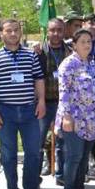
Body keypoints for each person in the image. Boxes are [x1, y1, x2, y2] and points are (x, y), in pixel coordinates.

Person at [0, 18, 50, 189]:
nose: (13, 33)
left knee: (33, 152)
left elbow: (38, 79)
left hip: (30, 111)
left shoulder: (31, 55)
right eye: (8, 30)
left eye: (16, 30)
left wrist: (42, 101)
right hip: (6, 112)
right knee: (8, 154)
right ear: (1, 34)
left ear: (20, 32)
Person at [55, 29, 95, 189]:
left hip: (91, 118)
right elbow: (64, 92)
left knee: (84, 157)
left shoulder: (92, 64)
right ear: (74, 45)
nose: (87, 45)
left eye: (89, 41)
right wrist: (66, 116)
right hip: (74, 118)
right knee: (74, 156)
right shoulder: (68, 64)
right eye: (82, 41)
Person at [37, 18, 71, 179]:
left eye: (59, 30)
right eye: (52, 30)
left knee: (63, 142)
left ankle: (61, 176)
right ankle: (34, 178)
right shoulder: (38, 52)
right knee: (37, 141)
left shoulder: (71, 52)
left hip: (64, 104)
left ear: (64, 32)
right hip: (43, 103)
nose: (56, 33)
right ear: (47, 31)